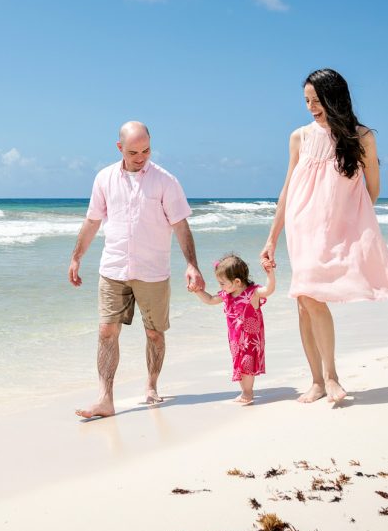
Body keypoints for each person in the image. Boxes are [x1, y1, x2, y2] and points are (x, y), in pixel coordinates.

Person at [260, 68, 388, 404]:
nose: (311, 106)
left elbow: (373, 188)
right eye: (306, 100)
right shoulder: (300, 137)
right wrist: (271, 237)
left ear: (335, 98)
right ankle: (321, 380)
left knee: (310, 301)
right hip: (301, 228)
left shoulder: (361, 136)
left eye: (317, 99)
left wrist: (351, 221)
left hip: (336, 229)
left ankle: (329, 379)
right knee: (306, 299)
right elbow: (287, 191)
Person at [70, 121, 205, 419]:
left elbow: (180, 225)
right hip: (113, 268)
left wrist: (192, 265)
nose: (141, 157)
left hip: (153, 271)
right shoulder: (104, 178)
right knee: (106, 331)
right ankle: (105, 398)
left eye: (146, 150)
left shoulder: (165, 181)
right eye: (134, 152)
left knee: (155, 334)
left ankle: (152, 384)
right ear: (119, 148)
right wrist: (77, 257)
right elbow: (93, 220)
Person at [193, 253, 275, 405]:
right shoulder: (227, 295)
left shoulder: (253, 293)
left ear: (237, 281)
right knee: (239, 364)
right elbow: (210, 300)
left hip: (251, 339)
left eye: (222, 283)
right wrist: (198, 291)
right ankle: (245, 390)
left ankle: (248, 392)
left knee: (247, 364)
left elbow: (269, 290)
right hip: (235, 340)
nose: (220, 287)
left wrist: (270, 273)